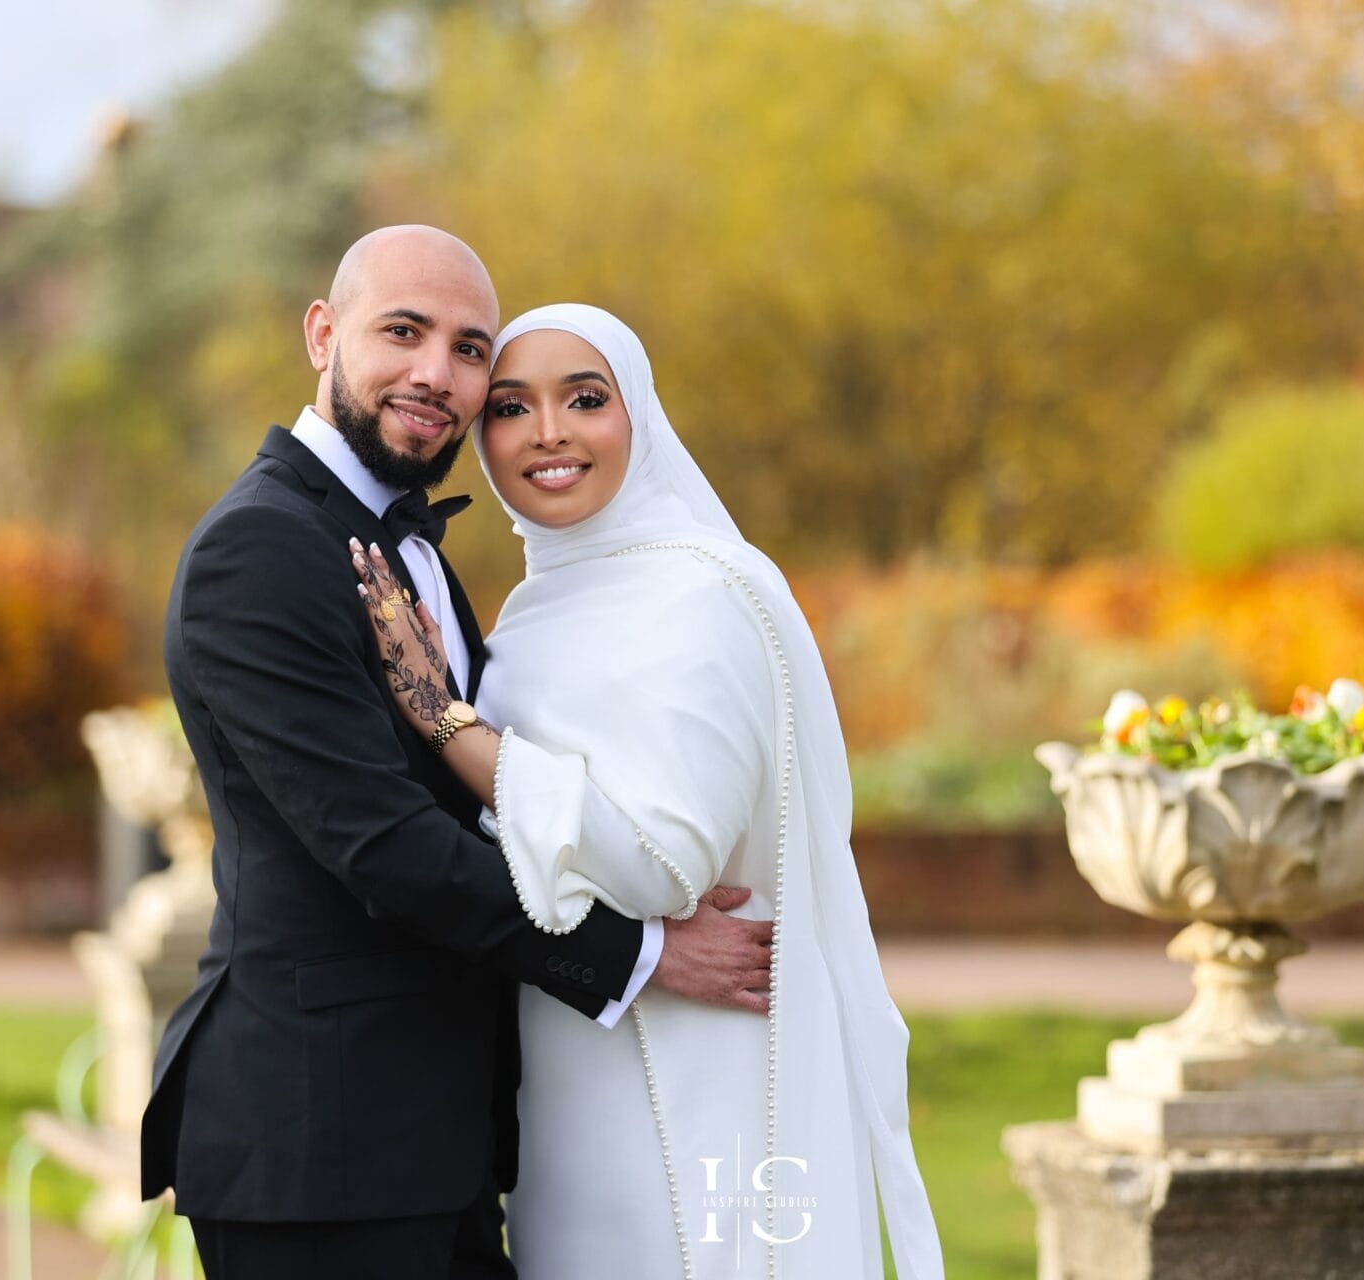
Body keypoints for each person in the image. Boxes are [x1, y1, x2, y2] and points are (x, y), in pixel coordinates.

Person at [141, 228, 774, 1280]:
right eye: (403, 332)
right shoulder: (260, 551)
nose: (438, 373)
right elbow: (384, 845)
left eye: (470, 347)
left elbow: (482, 794)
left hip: (431, 1140)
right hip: (320, 1146)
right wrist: (647, 951)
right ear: (322, 333)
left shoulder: (405, 546)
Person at [349, 303, 945, 1279]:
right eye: (511, 406)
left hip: (693, 1084)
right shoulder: (538, 605)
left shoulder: (702, 593)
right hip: (572, 1081)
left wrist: (447, 722)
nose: (548, 431)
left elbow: (661, 862)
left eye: (586, 398)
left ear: (643, 417)